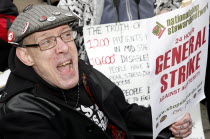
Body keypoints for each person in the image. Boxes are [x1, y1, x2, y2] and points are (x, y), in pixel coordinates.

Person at [0, 5, 192, 139]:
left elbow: (123, 112)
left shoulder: (82, 71)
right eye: (47, 41)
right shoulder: (21, 114)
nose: (63, 48)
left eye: (66, 35)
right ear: (26, 56)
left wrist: (167, 119)